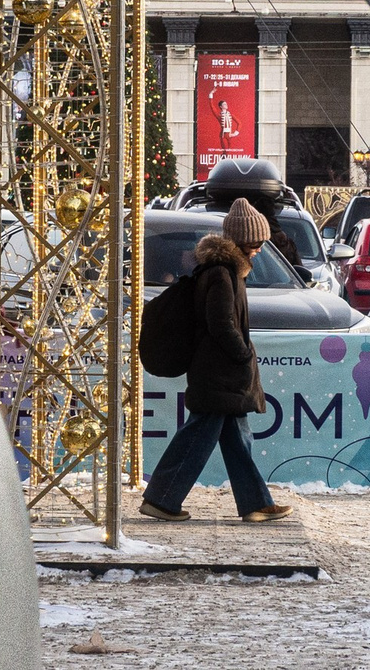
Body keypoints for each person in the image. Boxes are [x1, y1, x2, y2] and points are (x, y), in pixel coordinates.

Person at [140, 201, 290, 525]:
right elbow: (221, 323)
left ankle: (256, 503)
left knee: (238, 442)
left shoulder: (226, 271)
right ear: (243, 240)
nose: (260, 249)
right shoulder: (221, 273)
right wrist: (243, 354)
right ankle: (161, 499)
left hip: (220, 374)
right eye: (257, 242)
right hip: (219, 373)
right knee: (196, 439)